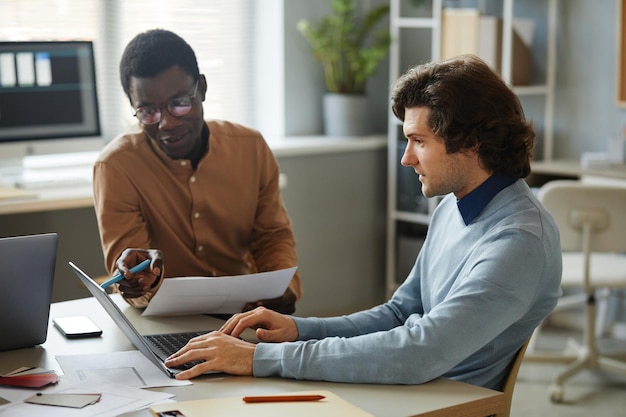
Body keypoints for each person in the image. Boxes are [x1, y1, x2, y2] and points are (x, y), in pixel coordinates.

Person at [163, 54, 563, 390]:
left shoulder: (518, 241)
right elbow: (399, 313)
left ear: (472, 142)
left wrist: (262, 357)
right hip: (410, 388)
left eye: (419, 141)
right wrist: (300, 330)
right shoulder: (455, 207)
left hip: (440, 400)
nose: (406, 158)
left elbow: (419, 352)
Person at [93, 29, 302, 314]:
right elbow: (128, 267)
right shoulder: (116, 167)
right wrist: (136, 283)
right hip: (165, 318)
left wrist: (282, 289)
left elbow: (272, 237)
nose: (166, 123)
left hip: (244, 312)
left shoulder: (251, 148)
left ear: (201, 89)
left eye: (179, 103)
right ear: (133, 107)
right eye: (148, 111)